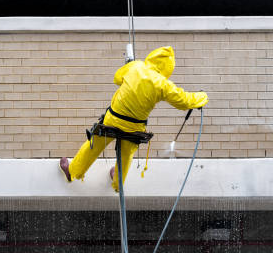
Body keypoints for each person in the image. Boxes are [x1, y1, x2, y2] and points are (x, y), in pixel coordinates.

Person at [59, 46, 208, 191]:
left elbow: (117, 79)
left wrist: (130, 69)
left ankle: (72, 171)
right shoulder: (163, 84)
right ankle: (118, 184)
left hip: (113, 119)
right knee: (126, 154)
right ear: (168, 68)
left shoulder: (136, 67)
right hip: (134, 127)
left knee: (94, 144)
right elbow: (184, 101)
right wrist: (202, 97)